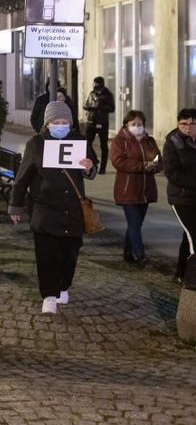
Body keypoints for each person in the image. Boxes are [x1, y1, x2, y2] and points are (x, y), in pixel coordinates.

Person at [8, 100, 97, 315]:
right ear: (47, 124)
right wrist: (15, 207)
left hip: (72, 210)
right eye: (56, 122)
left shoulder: (79, 141)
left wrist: (89, 167)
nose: (61, 125)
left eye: (65, 122)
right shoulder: (36, 144)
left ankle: (63, 285)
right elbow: (22, 178)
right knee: (46, 255)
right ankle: (49, 295)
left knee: (70, 253)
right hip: (45, 210)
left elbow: (92, 168)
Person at [109, 110, 160, 266]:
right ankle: (139, 255)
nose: (137, 127)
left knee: (136, 224)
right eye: (133, 124)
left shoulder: (149, 141)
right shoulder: (119, 141)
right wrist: (143, 166)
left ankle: (128, 252)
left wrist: (155, 166)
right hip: (128, 189)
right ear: (126, 125)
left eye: (140, 124)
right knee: (134, 223)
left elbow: (159, 160)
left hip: (145, 190)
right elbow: (118, 162)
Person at [163, 109, 196, 284]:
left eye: (192, 123)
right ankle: (192, 280)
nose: (188, 127)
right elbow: (171, 172)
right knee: (194, 236)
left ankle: (180, 273)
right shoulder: (173, 143)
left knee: (188, 234)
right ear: (178, 124)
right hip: (181, 197)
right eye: (184, 124)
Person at [83, 77, 116, 173]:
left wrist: (100, 107)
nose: (95, 86)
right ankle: (94, 159)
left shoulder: (108, 94)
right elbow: (87, 103)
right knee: (87, 142)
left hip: (102, 122)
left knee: (103, 145)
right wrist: (87, 107)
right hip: (91, 121)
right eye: (94, 84)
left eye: (97, 84)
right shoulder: (92, 93)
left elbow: (112, 108)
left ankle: (103, 167)